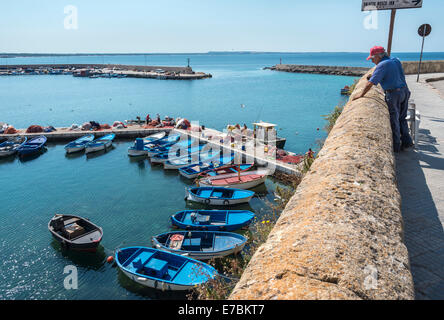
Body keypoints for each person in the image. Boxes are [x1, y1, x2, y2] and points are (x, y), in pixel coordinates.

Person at [353, 46, 413, 153]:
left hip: (394, 94)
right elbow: (391, 74)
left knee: (394, 120)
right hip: (404, 91)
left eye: (372, 58)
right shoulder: (395, 61)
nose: (371, 61)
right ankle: (407, 141)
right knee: (402, 118)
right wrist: (373, 75)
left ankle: (396, 147)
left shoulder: (382, 65)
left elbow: (370, 83)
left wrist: (361, 94)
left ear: (378, 56)